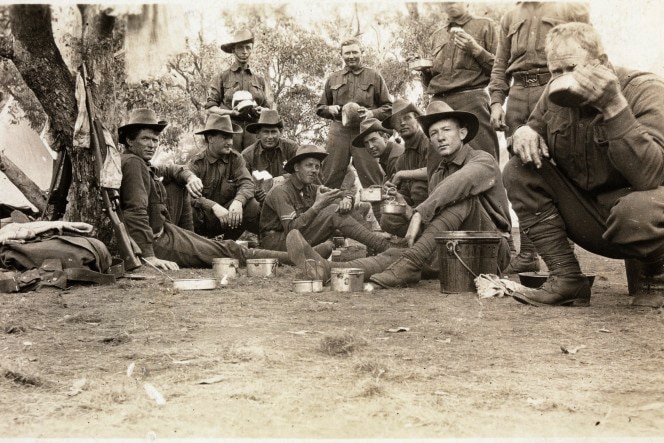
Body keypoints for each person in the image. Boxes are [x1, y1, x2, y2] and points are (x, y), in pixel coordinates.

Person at [503, 22, 664, 308]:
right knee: (517, 170)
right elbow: (530, 133)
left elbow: (650, 177)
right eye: (555, 71)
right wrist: (523, 133)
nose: (563, 79)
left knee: (635, 211)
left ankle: (657, 278)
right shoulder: (555, 95)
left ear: (601, 63)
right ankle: (566, 278)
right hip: (597, 216)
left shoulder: (645, 90)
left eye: (572, 69)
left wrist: (614, 106)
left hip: (643, 215)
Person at [287, 102, 512, 288]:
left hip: (492, 252)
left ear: (462, 133)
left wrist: (420, 212)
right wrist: (408, 211)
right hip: (454, 250)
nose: (440, 138)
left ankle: (411, 263)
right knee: (398, 253)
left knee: (462, 198)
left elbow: (461, 183)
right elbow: (438, 224)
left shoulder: (482, 160)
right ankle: (328, 270)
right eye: (434, 133)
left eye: (446, 130)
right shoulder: (438, 173)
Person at [118, 108, 289, 270]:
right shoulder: (134, 163)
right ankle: (291, 257)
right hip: (159, 240)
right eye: (145, 139)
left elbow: (170, 169)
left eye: (155, 140)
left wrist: (189, 177)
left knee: (227, 244)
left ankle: (285, 248)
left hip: (170, 231)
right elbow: (135, 211)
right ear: (130, 141)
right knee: (228, 251)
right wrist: (149, 256)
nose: (151, 145)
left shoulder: (141, 163)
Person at [488, 2, 590, 275]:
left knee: (559, 166)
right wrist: (497, 102)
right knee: (519, 172)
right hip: (518, 95)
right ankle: (528, 254)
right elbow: (500, 63)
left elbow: (588, 52)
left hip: (554, 88)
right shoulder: (510, 16)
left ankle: (564, 256)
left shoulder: (568, 7)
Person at [260, 144, 404, 253]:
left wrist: (347, 198)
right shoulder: (281, 191)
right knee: (332, 211)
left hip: (295, 239)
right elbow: (291, 230)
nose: (314, 170)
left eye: (317, 167)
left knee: (336, 204)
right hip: (276, 243)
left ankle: (375, 245)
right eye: (309, 166)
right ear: (296, 167)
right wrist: (317, 206)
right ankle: (383, 247)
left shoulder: (309, 187)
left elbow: (340, 193)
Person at [419, 2, 499, 159]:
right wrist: (425, 71)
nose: (450, 3)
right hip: (438, 103)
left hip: (471, 100)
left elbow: (498, 69)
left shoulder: (485, 25)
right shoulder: (437, 35)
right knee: (437, 163)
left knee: (482, 158)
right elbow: (431, 81)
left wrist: (475, 49)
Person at [316, 37, 392, 195]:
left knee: (373, 179)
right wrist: (329, 109)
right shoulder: (333, 78)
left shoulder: (374, 77)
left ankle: (378, 216)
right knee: (330, 177)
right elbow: (320, 108)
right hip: (338, 131)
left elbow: (389, 107)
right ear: (341, 55)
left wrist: (372, 113)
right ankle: (327, 215)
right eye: (347, 53)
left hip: (365, 131)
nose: (351, 56)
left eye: (355, 52)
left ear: (362, 53)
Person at [182, 114, 261, 240]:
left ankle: (227, 244)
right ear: (210, 138)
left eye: (231, 137)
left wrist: (238, 201)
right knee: (190, 210)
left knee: (252, 205)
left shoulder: (236, 159)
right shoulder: (197, 163)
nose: (230, 142)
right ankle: (197, 246)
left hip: (228, 218)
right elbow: (186, 194)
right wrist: (212, 206)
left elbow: (247, 183)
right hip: (204, 219)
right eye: (224, 138)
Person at [205, 29, 274, 151]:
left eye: (248, 48)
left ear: (252, 49)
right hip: (230, 132)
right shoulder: (222, 77)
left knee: (254, 166)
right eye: (240, 48)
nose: (244, 52)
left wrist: (261, 110)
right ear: (233, 50)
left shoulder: (259, 79)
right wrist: (231, 113)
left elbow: (268, 108)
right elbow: (210, 108)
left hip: (254, 133)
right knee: (230, 166)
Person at [378, 98, 432, 237]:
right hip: (413, 209)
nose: (402, 123)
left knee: (418, 187)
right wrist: (392, 191)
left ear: (417, 120)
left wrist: (401, 174)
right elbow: (403, 193)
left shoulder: (429, 142)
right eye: (397, 121)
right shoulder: (402, 158)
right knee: (387, 219)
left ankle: (427, 238)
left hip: (434, 205)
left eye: (407, 118)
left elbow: (434, 171)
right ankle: (418, 237)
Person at [350, 117, 405, 222]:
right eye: (366, 143)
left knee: (375, 198)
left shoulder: (394, 157)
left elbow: (402, 191)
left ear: (385, 137)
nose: (370, 146)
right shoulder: (387, 154)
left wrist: (379, 192)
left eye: (373, 140)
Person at [241, 109, 299, 203]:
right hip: (260, 202)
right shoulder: (247, 155)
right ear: (258, 134)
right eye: (266, 132)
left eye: (273, 132)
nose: (270, 136)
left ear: (280, 132)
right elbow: (243, 182)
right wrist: (256, 192)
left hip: (288, 196)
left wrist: (282, 179)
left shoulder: (291, 148)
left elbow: (302, 172)